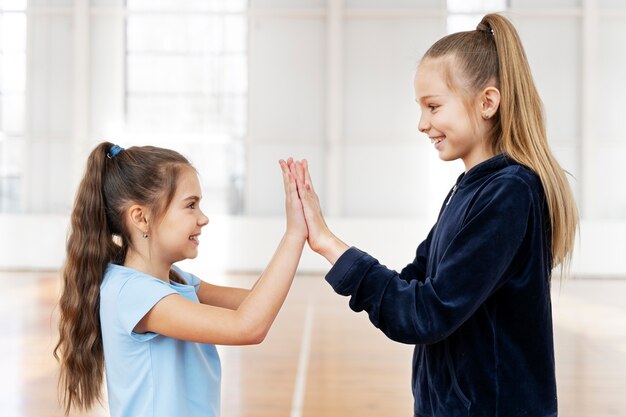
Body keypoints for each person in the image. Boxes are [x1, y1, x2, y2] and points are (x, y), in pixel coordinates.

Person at [289, 13, 578, 417]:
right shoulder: (470, 189)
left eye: (434, 107)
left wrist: (328, 244)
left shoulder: (509, 193)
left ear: (487, 102)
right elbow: (415, 285)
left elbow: (425, 314)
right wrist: (328, 241)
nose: (423, 124)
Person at [54, 142, 307, 417]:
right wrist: (294, 235)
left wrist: (296, 230)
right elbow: (248, 326)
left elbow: (254, 303)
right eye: (191, 206)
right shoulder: (132, 293)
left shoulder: (176, 280)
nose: (203, 218)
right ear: (141, 217)